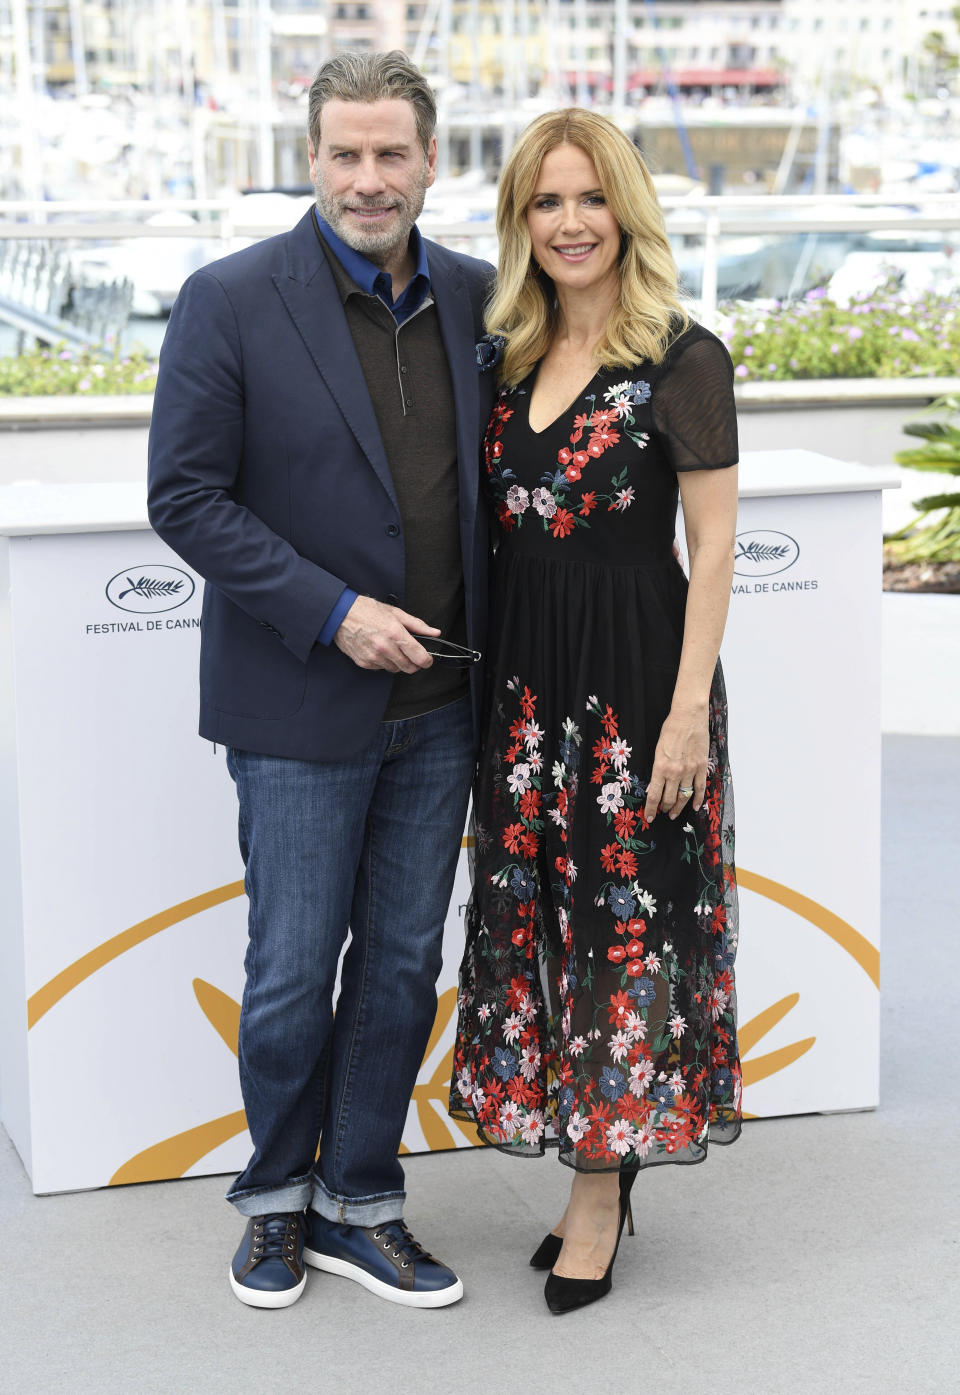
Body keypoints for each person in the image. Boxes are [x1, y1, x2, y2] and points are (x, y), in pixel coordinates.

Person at [148, 50, 495, 1310]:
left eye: (391, 153)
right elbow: (183, 496)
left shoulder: (478, 299)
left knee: (404, 965)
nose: (368, 179)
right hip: (300, 702)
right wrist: (335, 614)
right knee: (293, 966)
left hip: (443, 711)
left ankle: (363, 1199)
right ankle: (273, 1202)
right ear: (310, 159)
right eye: (344, 154)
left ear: (430, 161)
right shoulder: (228, 298)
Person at [449, 108, 742, 1314]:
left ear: (625, 208)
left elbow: (715, 545)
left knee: (627, 932)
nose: (571, 223)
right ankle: (597, 1158)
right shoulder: (503, 356)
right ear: (522, 219)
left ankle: (596, 1191)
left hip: (636, 690)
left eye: (590, 198)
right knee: (544, 929)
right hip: (525, 690)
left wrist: (685, 716)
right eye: (545, 201)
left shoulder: (682, 354)